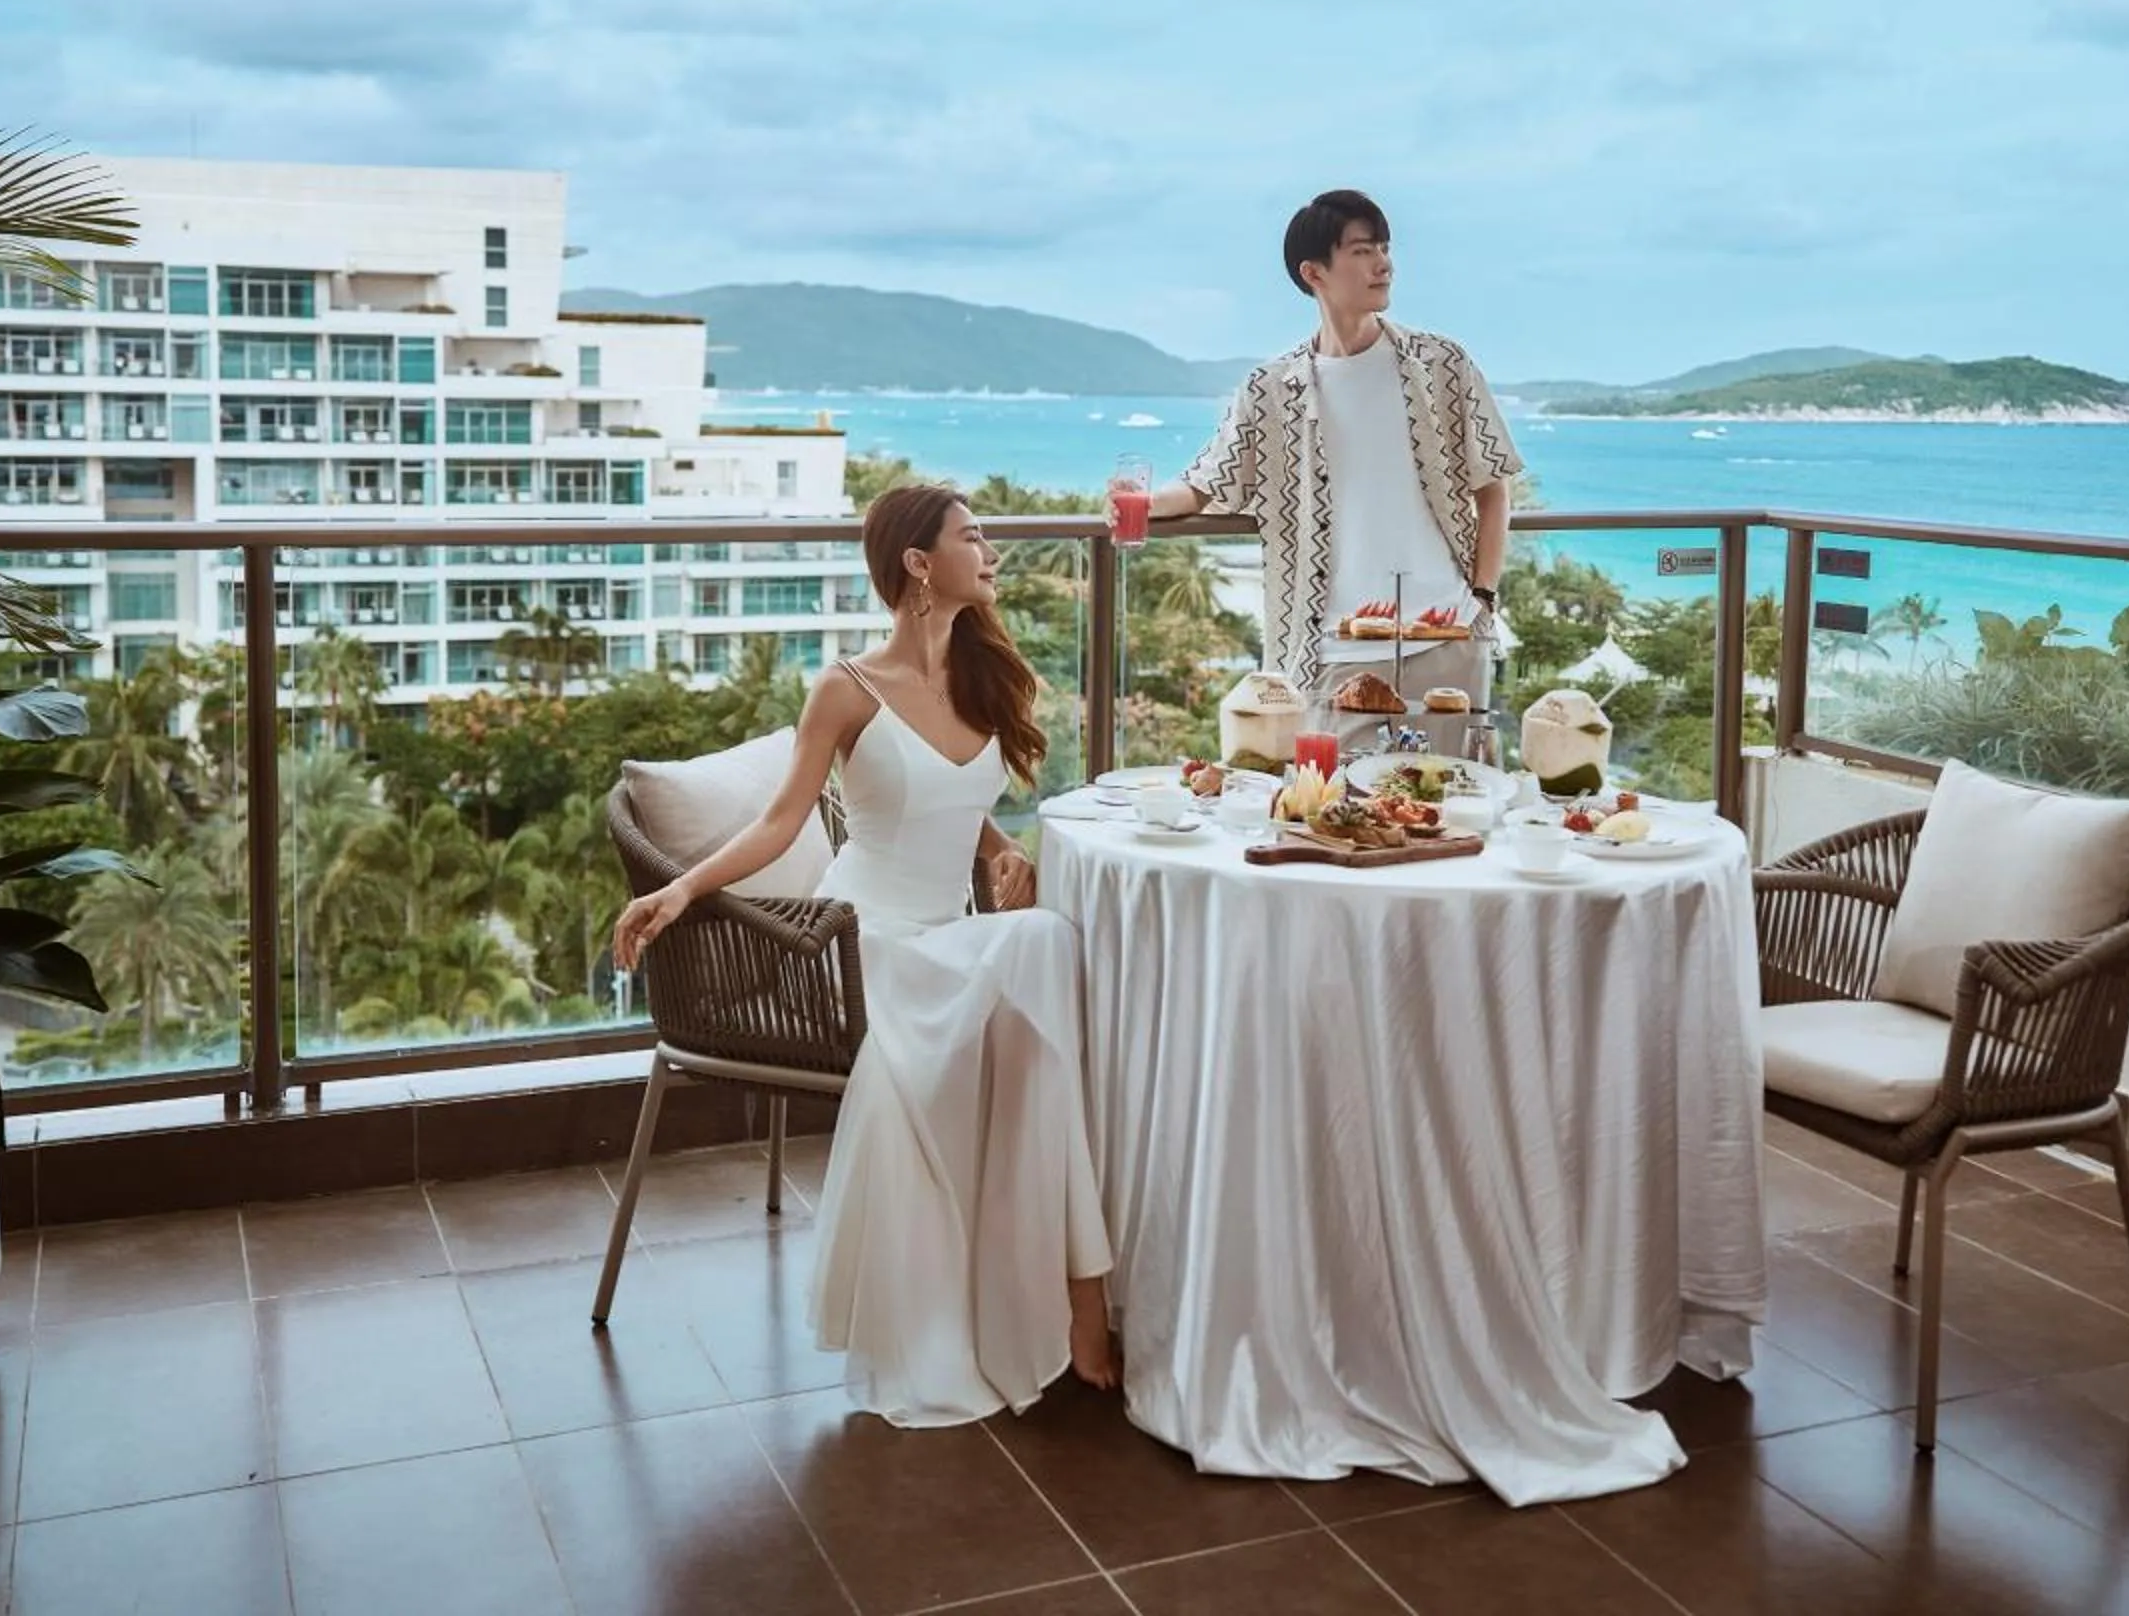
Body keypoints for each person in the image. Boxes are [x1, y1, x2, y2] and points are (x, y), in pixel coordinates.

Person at [612, 483, 1117, 1425]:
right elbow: (780, 822)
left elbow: (957, 811)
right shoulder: (848, 687)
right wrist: (681, 889)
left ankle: (1075, 1285)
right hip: (862, 942)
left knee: (1045, 963)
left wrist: (1004, 853)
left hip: (945, 935)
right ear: (918, 564)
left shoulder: (981, 678)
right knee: (1037, 967)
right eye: (973, 538)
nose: (991, 551)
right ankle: (1077, 1289)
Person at [1146, 188, 1522, 708]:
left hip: (1448, 637)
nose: (1383, 264)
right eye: (1362, 251)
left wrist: (1481, 599)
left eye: (1385, 248)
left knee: (1462, 788)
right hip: (1330, 651)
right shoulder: (1271, 389)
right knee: (1327, 791)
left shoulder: (1441, 364)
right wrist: (1141, 506)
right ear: (1314, 273)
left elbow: (1494, 488)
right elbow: (1205, 484)